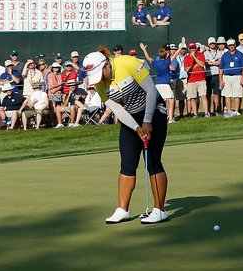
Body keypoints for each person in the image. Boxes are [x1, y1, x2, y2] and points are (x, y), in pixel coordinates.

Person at [83, 47, 169, 224]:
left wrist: (146, 121)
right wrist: (137, 128)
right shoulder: (99, 84)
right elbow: (117, 109)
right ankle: (123, 210)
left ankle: (160, 210)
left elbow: (151, 92)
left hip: (153, 112)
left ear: (107, 64)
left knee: (152, 161)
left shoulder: (127, 63)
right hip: (130, 119)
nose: (100, 79)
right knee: (127, 163)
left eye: (101, 73)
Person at [140, 43, 179, 123]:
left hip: (157, 84)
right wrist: (181, 46)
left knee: (160, 102)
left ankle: (160, 118)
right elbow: (175, 54)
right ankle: (170, 118)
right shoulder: (167, 62)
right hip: (164, 83)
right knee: (171, 100)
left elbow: (148, 58)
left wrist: (144, 50)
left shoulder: (156, 62)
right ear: (165, 55)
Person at [219, 38, 243, 118]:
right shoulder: (225, 55)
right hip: (226, 77)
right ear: (228, 46)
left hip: (237, 76)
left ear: (235, 45)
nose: (231, 46)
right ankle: (229, 111)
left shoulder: (240, 54)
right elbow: (221, 69)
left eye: (232, 45)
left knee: (237, 94)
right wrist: (220, 80)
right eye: (229, 45)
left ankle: (237, 111)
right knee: (227, 95)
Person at [184, 42, 208, 118]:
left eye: (194, 48)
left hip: (201, 79)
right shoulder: (187, 58)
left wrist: (195, 57)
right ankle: (195, 114)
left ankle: (206, 113)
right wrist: (195, 65)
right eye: (191, 48)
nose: (193, 49)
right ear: (189, 49)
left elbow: (201, 64)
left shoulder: (200, 54)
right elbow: (187, 69)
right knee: (192, 98)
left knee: (203, 96)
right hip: (191, 80)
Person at [204, 37, 223, 115]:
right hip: (208, 75)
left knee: (216, 94)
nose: (212, 45)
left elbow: (220, 62)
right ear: (208, 45)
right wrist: (214, 62)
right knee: (208, 94)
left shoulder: (219, 52)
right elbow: (206, 62)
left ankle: (216, 110)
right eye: (211, 44)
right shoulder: (205, 53)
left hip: (216, 75)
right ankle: (208, 111)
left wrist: (211, 63)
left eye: (213, 43)